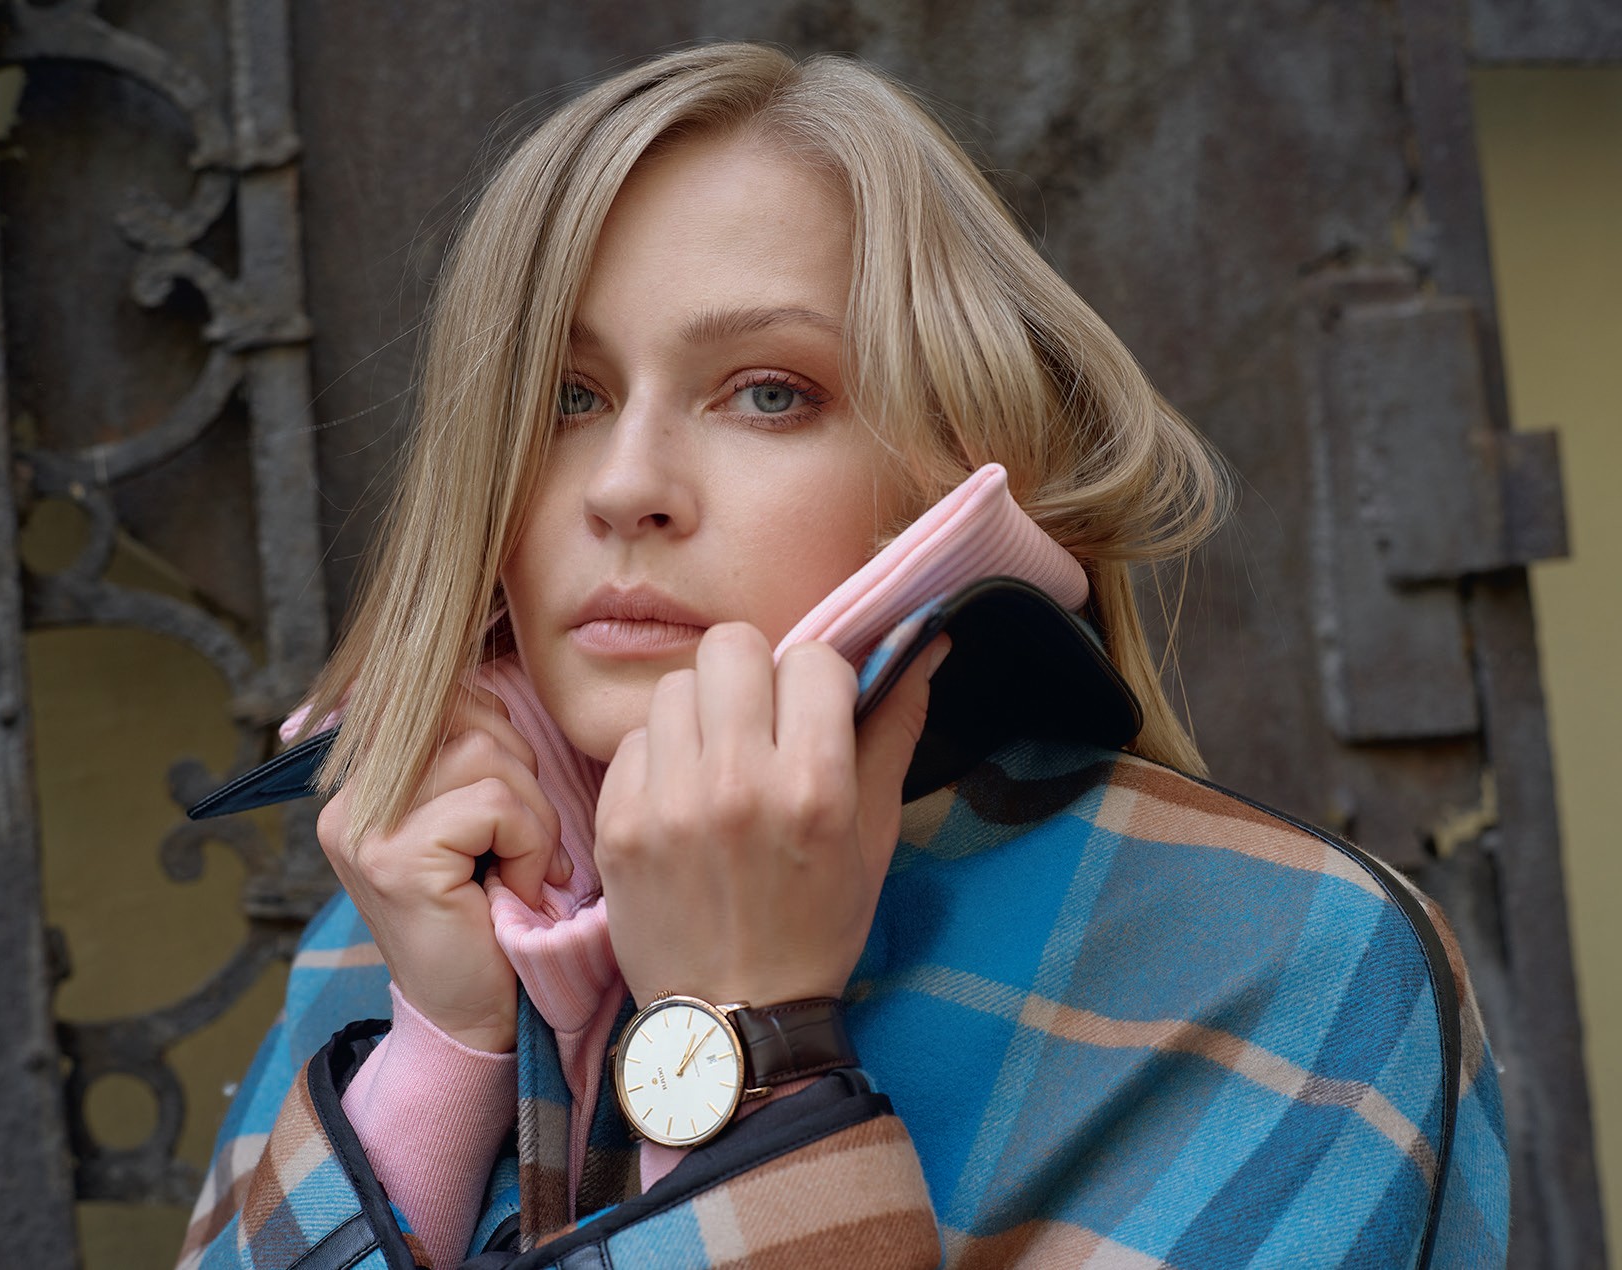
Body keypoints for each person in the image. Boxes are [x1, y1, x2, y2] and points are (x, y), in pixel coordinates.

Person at [178, 43, 1508, 1270]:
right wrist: (438, 1062)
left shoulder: (1280, 962)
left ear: (955, 470)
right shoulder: (395, 925)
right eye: (568, 396)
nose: (626, 485)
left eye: (770, 393)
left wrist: (743, 1036)